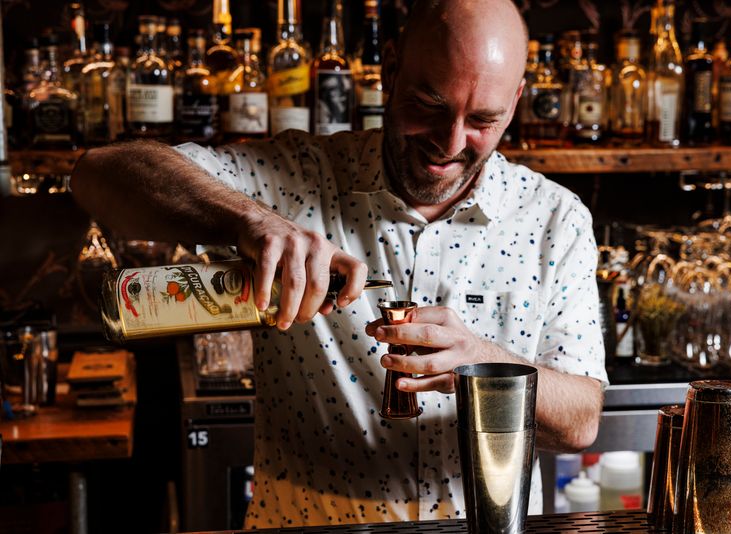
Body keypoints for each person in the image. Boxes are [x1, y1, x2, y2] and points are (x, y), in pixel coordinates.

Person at [71, 0, 607, 528]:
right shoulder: (296, 176)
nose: (449, 143)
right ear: (390, 68)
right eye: (429, 104)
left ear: (516, 101)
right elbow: (98, 175)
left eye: (483, 120)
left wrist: (483, 366)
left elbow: (581, 420)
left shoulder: (554, 218)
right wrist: (248, 220)